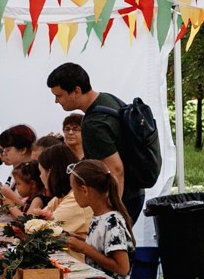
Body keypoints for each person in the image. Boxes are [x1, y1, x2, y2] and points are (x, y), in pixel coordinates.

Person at [47, 61, 159, 230]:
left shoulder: (94, 124)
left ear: (76, 91)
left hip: (123, 198)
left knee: (113, 253)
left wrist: (112, 215)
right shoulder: (107, 99)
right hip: (135, 192)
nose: (56, 101)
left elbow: (115, 170)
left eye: (59, 95)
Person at [65, 159, 134, 279]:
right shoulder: (98, 217)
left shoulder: (112, 222)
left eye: (73, 190)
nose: (73, 194)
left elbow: (122, 268)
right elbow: (102, 249)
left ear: (84, 190)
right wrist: (77, 240)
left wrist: (84, 248)